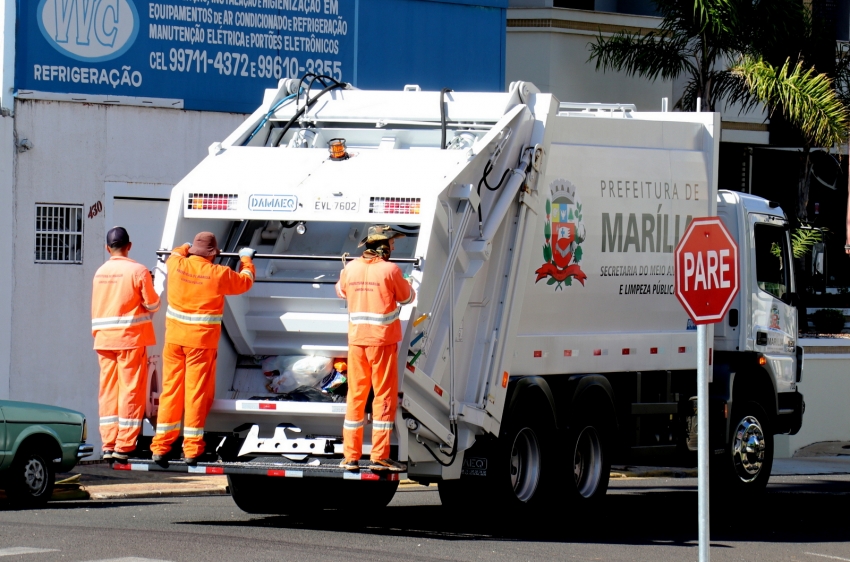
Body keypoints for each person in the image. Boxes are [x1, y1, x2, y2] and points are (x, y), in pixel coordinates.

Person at [151, 232, 255, 465]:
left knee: (170, 392)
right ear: (213, 254)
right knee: (195, 394)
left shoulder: (176, 263)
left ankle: (160, 446)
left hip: (174, 340)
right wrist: (246, 260)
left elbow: (176, 252)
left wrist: (185, 245)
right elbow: (245, 281)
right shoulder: (218, 273)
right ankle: (191, 449)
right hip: (200, 344)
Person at [335, 225, 415, 472]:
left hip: (357, 342)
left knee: (356, 397)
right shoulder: (390, 270)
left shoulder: (350, 268)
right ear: (383, 248)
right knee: (383, 397)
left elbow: (340, 292)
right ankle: (379, 456)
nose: (393, 248)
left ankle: (350, 457)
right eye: (392, 244)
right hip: (381, 343)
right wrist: (406, 283)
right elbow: (408, 298)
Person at [91, 227, 160, 463]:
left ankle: (108, 444)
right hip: (129, 339)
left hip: (103, 339)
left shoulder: (100, 272)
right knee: (131, 390)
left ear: (107, 248)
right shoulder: (138, 271)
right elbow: (152, 305)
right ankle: (124, 445)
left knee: (108, 392)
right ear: (129, 246)